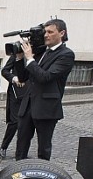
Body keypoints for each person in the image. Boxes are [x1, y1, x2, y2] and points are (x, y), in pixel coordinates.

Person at [14, 19, 75, 161]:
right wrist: (20, 58)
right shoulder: (41, 52)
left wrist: (30, 58)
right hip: (28, 105)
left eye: (50, 32)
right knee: (21, 146)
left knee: (43, 148)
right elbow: (23, 78)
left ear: (61, 33)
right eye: (45, 32)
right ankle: (19, 177)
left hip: (46, 108)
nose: (46, 35)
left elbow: (45, 77)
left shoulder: (66, 54)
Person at [0, 55, 26, 158]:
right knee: (14, 122)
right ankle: (4, 146)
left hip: (29, 92)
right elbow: (5, 71)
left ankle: (21, 151)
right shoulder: (17, 54)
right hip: (15, 93)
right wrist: (14, 78)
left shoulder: (37, 53)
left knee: (26, 123)